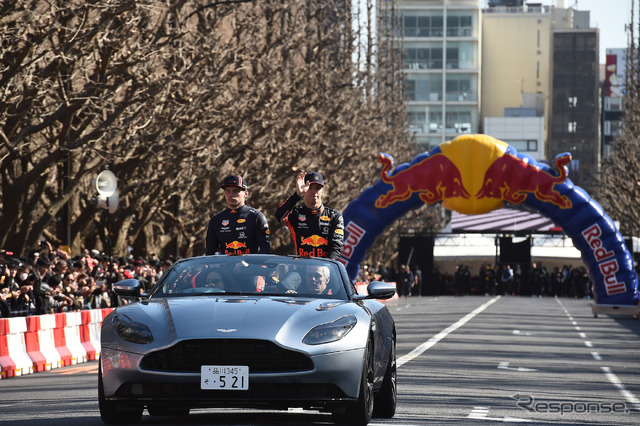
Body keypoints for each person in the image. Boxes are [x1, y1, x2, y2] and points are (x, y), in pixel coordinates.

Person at [274, 171, 344, 259]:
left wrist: (324, 267)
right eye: (309, 187)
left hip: (325, 268)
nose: (313, 191)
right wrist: (297, 194)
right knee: (291, 274)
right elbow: (279, 216)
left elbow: (336, 248)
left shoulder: (335, 216)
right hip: (300, 267)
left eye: (317, 188)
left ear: (323, 191)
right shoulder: (296, 214)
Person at [206, 175, 270, 255]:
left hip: (251, 266)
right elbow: (210, 253)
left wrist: (249, 263)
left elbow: (265, 249)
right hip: (226, 266)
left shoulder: (256, 217)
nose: (231, 194)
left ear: (245, 193)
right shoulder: (216, 220)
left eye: (235, 191)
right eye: (227, 191)